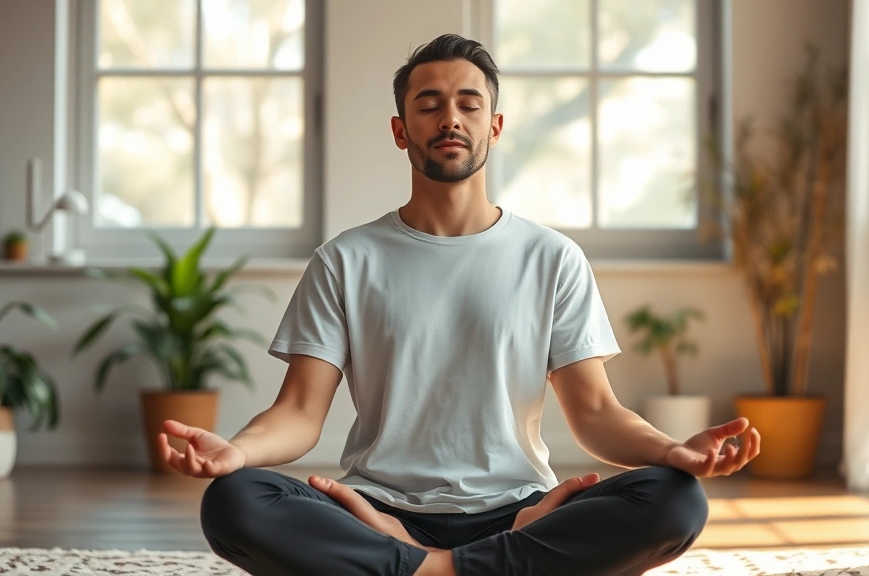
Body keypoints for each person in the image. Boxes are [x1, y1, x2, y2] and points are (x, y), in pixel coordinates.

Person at [158, 33, 761, 576]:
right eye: (429, 104)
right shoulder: (344, 260)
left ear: (494, 126)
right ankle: (479, 571)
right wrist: (236, 451)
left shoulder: (552, 258)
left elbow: (597, 413)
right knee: (235, 501)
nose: (451, 118)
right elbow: (298, 412)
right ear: (401, 130)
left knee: (675, 498)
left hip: (521, 510)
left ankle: (421, 570)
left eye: (469, 104)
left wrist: (672, 451)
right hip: (376, 509)